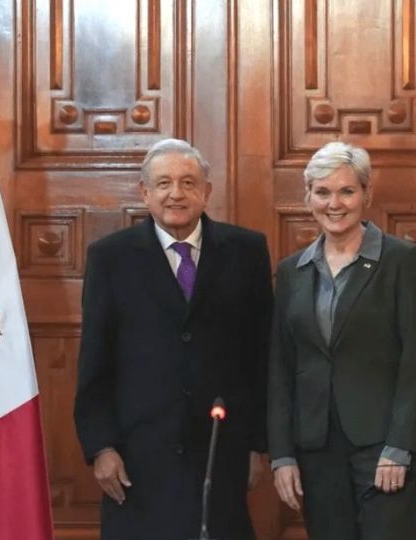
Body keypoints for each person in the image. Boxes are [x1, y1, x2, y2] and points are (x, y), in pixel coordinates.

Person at [74, 138, 273, 540]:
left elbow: (262, 354)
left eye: (188, 182)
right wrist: (101, 447)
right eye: (163, 183)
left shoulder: (246, 250)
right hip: (138, 455)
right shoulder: (110, 257)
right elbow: (95, 360)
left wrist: (258, 443)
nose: (176, 194)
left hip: (220, 450)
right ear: (145, 192)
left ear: (207, 192)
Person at [267, 141, 416, 540]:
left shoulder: (401, 261)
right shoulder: (291, 271)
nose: (334, 203)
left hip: (383, 446)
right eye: (322, 192)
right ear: (308, 197)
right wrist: (282, 455)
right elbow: (280, 367)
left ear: (366, 194)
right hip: (316, 448)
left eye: (346, 191)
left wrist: (399, 445)